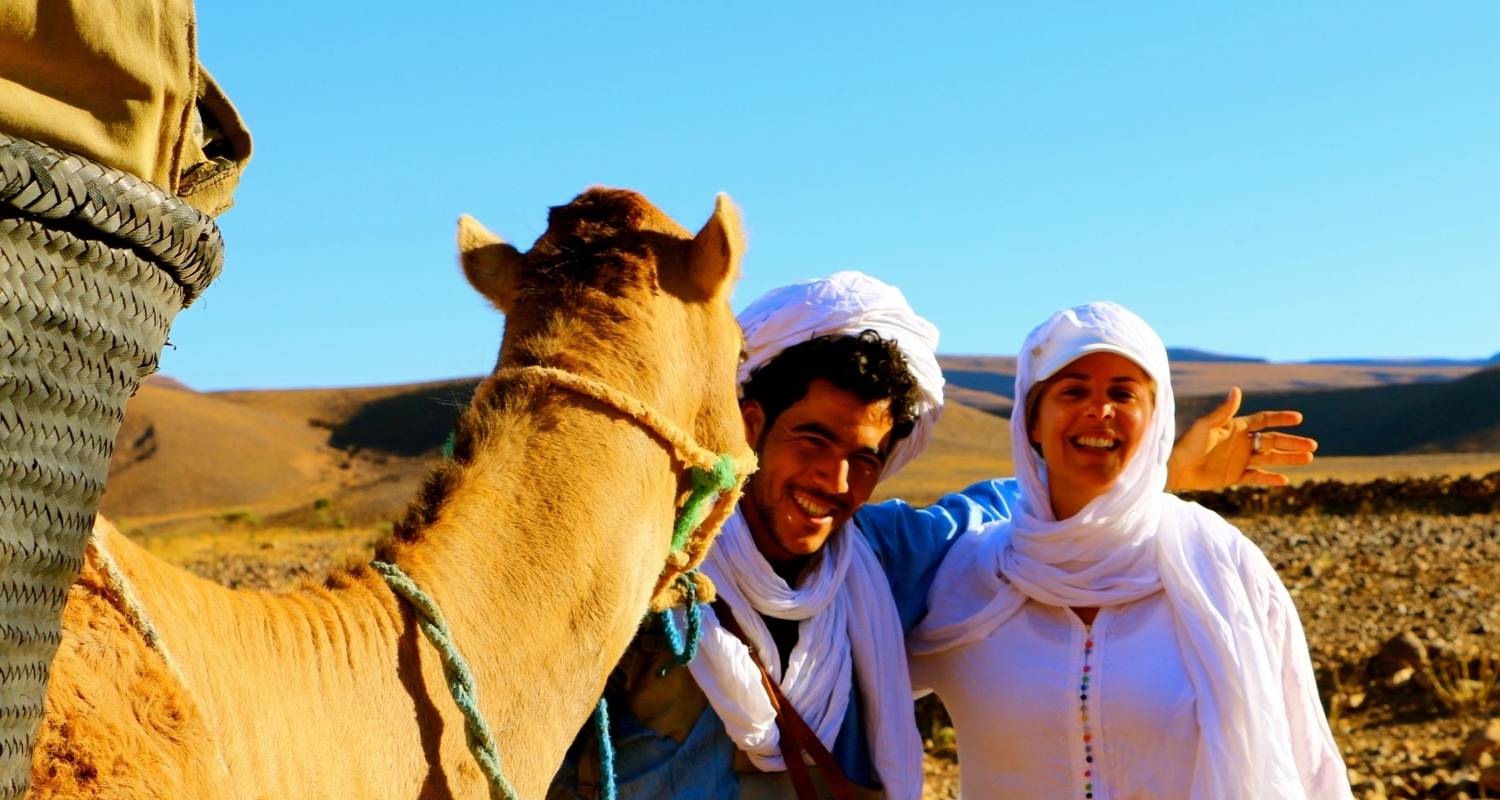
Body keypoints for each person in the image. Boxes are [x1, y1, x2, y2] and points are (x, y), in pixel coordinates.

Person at [549, 274, 1315, 799]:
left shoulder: (880, 564)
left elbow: (1040, 508)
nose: (835, 481)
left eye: (865, 458)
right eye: (812, 440)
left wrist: (1157, 469)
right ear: (750, 426)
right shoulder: (644, 571)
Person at [908, 301, 1351, 799]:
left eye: (1123, 393)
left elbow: (1305, 755)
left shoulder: (1223, 568)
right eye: (1073, 391)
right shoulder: (969, 576)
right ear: (1031, 421)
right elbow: (842, 669)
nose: (1100, 410)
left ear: (1156, 419)